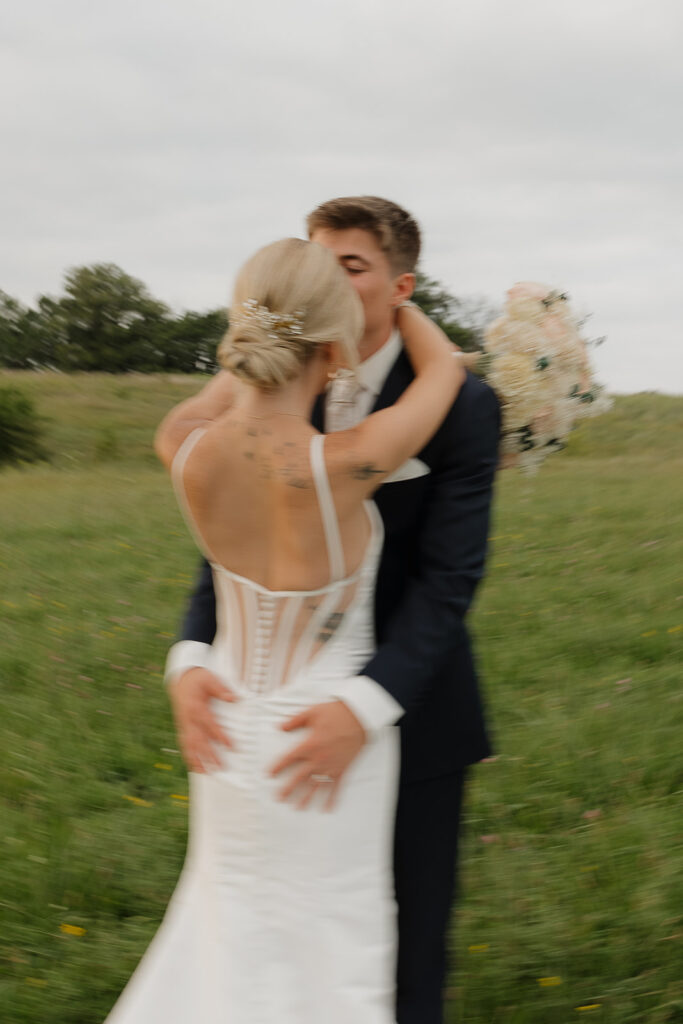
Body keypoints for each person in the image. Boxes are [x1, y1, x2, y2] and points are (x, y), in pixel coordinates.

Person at [104, 235, 465, 1024]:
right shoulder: (352, 459)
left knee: (223, 931)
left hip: (228, 728)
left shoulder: (183, 447)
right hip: (327, 737)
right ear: (334, 350)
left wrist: (256, 342)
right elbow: (442, 373)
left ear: (243, 337)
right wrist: (400, 305)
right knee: (329, 951)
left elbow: (221, 397)